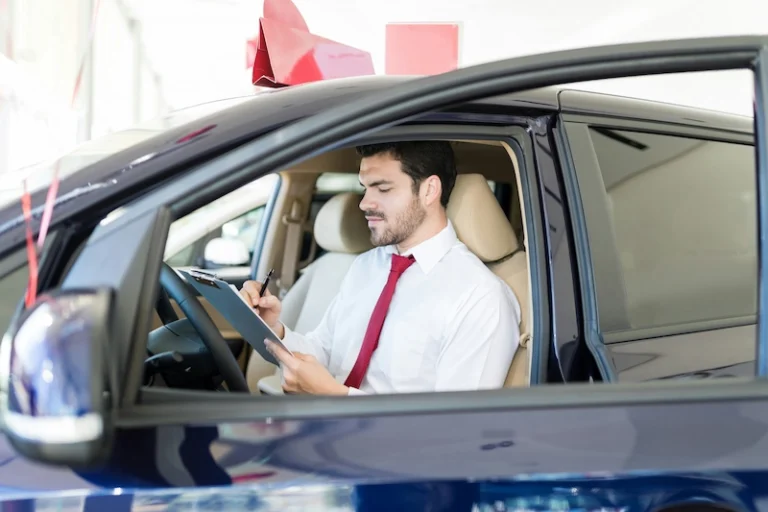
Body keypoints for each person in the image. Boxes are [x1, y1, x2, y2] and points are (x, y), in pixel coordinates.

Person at [240, 141, 520, 395]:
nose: (364, 203)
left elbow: (453, 429)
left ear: (429, 190)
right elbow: (324, 351)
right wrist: (274, 328)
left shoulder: (480, 297)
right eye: (365, 188)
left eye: (383, 188)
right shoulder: (365, 266)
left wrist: (335, 398)